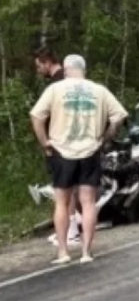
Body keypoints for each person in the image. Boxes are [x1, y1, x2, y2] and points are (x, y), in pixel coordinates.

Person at [30, 54, 128, 265]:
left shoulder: (55, 89)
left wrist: (45, 142)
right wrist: (106, 137)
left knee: (62, 202)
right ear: (84, 69)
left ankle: (63, 252)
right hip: (90, 150)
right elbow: (119, 116)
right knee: (88, 202)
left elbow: (36, 116)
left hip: (61, 151)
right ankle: (86, 252)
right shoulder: (99, 90)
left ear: (66, 69)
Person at [34, 45, 81, 248]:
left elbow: (42, 115)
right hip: (74, 139)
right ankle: (71, 226)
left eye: (39, 66)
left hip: (61, 142)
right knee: (72, 186)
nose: (38, 71)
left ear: (47, 62)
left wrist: (47, 142)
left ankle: (71, 232)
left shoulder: (57, 84)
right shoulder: (70, 80)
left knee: (64, 187)